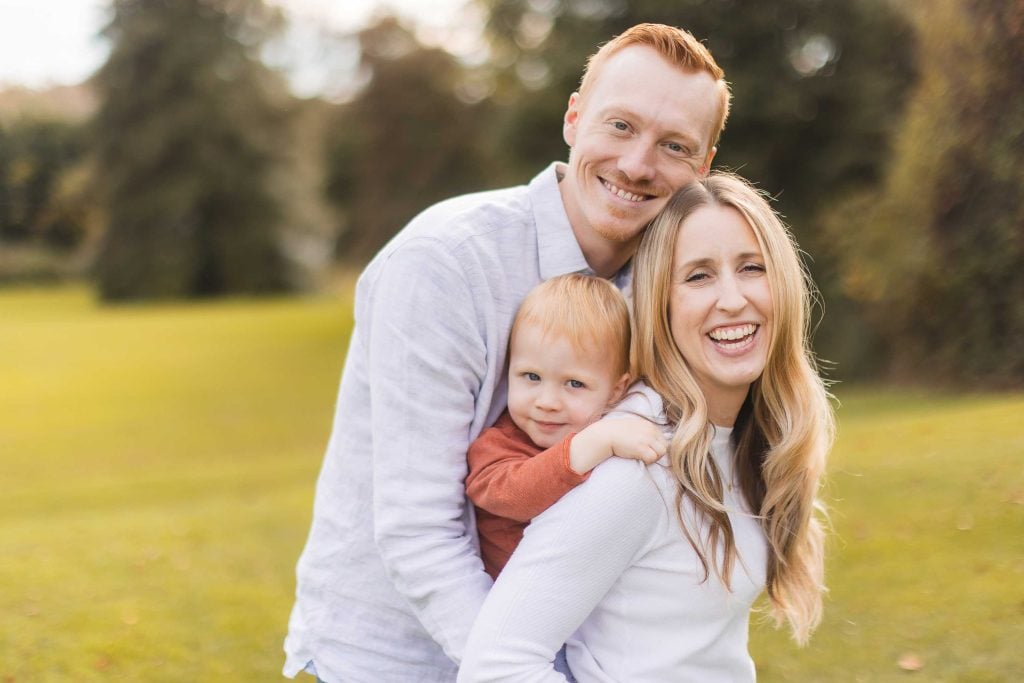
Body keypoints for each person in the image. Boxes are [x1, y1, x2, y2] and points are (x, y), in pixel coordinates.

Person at [283, 23, 730, 683]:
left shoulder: (671, 292)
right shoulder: (444, 262)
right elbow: (418, 530)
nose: (638, 165)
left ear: (703, 167)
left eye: (673, 145)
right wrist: (519, 667)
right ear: (574, 118)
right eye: (621, 126)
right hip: (397, 657)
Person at [458, 172, 835, 682]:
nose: (731, 299)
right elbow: (495, 666)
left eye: (751, 268)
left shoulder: (740, 438)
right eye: (699, 276)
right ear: (660, 301)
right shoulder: (638, 463)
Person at [465, 273, 668, 581]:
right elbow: (513, 495)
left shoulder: (618, 425)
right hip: (520, 609)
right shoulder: (498, 445)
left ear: (615, 391)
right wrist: (593, 443)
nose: (547, 401)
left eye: (574, 383)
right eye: (531, 376)